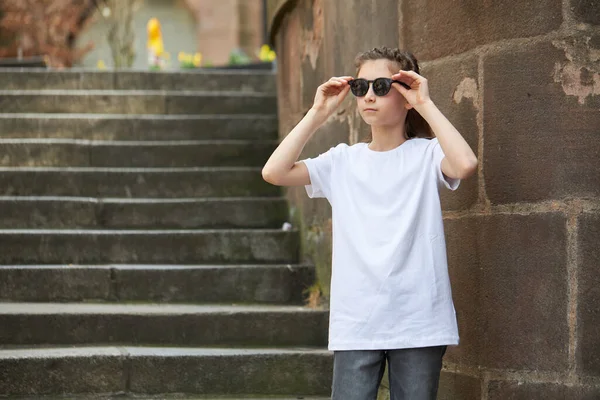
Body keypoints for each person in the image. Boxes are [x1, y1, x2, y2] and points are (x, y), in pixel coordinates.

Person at [261, 46, 478, 400]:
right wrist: (317, 113)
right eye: (361, 88)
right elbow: (273, 172)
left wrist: (424, 102)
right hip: (358, 320)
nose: (369, 96)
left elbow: (465, 164)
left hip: (419, 318)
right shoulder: (342, 162)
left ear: (405, 94)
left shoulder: (426, 155)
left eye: (381, 86)